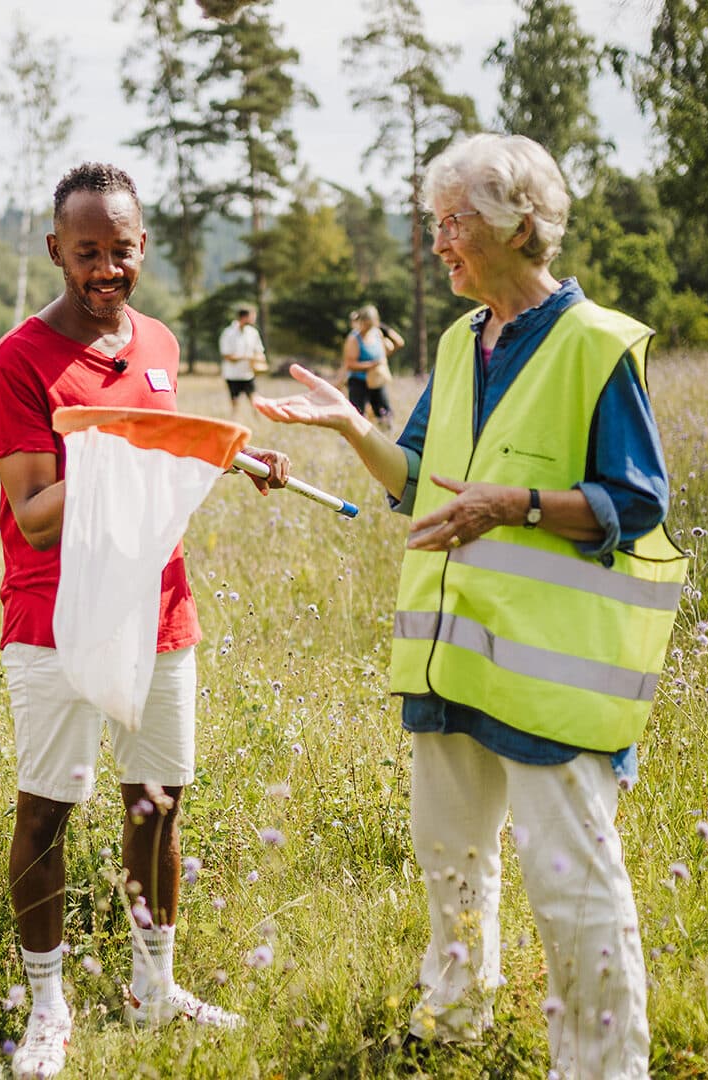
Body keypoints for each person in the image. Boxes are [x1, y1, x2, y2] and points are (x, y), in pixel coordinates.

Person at [254, 133, 685, 1079]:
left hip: (549, 674)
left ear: (519, 225)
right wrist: (350, 427)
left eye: (452, 222)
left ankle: (604, 1066)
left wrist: (516, 506)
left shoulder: (596, 345)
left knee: (571, 885)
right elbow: (418, 477)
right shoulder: (459, 340)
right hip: (453, 658)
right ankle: (454, 1017)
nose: (436, 242)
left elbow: (638, 498)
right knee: (449, 857)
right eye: (433, 221)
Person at [0, 162, 289, 1080]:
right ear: (56, 252)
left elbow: (164, 455)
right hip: (56, 616)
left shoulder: (157, 339)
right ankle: (46, 1010)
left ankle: (154, 989)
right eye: (87, 252)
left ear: (142, 247)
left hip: (161, 609)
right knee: (47, 812)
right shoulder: (18, 360)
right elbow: (35, 510)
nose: (105, 268)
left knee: (157, 803)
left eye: (121, 250)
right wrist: (140, 462)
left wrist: (226, 457)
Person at [341, 303, 397, 432]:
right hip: (358, 382)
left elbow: (397, 342)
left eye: (370, 324)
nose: (367, 327)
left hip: (376, 381)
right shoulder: (353, 339)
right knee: (357, 414)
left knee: (384, 412)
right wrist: (372, 365)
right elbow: (350, 364)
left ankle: (389, 438)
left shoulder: (377, 333)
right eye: (366, 324)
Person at [217, 304, 266, 419]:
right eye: (252, 317)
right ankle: (235, 419)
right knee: (235, 399)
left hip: (248, 373)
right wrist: (248, 357)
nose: (254, 320)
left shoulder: (253, 333)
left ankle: (257, 419)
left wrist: (259, 359)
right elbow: (227, 355)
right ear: (244, 317)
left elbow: (259, 350)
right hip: (232, 374)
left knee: (253, 397)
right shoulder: (228, 333)